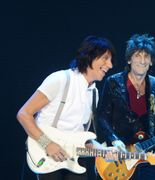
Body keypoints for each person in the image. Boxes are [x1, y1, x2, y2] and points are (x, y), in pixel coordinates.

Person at [17, 35, 116, 180]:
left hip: (72, 159)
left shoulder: (93, 93)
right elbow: (24, 114)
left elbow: (81, 137)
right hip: (46, 154)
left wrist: (103, 151)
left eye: (111, 60)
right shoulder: (60, 79)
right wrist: (47, 144)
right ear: (90, 57)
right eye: (105, 58)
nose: (110, 65)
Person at [96, 34, 155, 180]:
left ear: (152, 61)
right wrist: (114, 140)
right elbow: (101, 117)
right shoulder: (113, 82)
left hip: (148, 155)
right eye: (138, 55)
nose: (143, 60)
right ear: (129, 59)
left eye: (147, 56)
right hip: (120, 157)